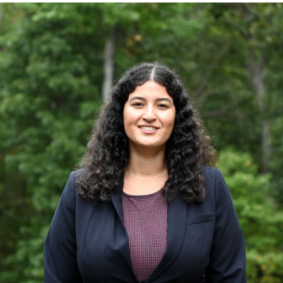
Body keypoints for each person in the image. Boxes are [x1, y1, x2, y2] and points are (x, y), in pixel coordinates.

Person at [44, 62, 246, 283]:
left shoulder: (210, 185)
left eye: (162, 105)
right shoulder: (80, 188)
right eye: (138, 104)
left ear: (177, 116)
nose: (149, 115)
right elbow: (57, 277)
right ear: (121, 112)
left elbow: (231, 277)